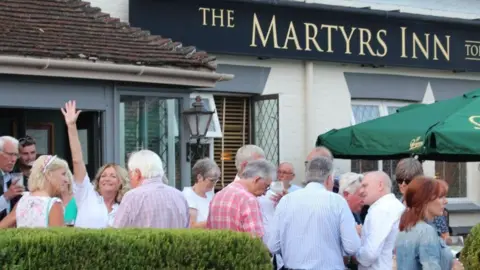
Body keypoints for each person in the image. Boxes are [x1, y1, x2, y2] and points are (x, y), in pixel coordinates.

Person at [268, 156, 361, 269]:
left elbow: (273, 245)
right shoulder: (337, 201)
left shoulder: (286, 201)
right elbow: (352, 247)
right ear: (329, 178)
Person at [62, 100, 129, 228]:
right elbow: (77, 160)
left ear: (121, 182)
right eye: (103, 176)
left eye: (112, 176)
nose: (107, 179)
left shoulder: (124, 207)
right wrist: (71, 126)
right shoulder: (86, 193)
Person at [395, 176, 463, 270]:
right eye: (440, 197)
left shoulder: (406, 228)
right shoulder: (426, 231)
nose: (446, 201)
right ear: (425, 200)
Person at [113, 150, 189, 228]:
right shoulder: (180, 196)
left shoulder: (132, 197)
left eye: (129, 174)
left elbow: (117, 232)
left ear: (137, 173)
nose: (129, 179)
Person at [207, 159, 275, 239]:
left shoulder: (218, 195)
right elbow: (255, 240)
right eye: (266, 186)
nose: (265, 193)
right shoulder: (249, 200)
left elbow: (209, 230)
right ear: (257, 179)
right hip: (241, 251)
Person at [355, 171, 405, 270]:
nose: (360, 191)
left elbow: (370, 254)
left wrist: (355, 255)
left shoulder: (382, 209)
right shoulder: (393, 206)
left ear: (380, 185)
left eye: (365, 186)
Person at [395, 157, 451, 242]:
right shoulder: (395, 206)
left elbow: (446, 238)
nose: (402, 184)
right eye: (399, 180)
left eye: (407, 181)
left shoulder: (431, 206)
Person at [10, 155, 66, 228]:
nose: (66, 180)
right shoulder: (54, 204)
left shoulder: (22, 200)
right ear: (49, 175)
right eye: (63, 174)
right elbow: (59, 238)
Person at [182, 158, 219, 228]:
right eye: (212, 180)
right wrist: (215, 221)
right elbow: (191, 226)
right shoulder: (188, 195)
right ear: (199, 177)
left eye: (216, 181)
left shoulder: (210, 194)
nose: (214, 184)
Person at [0, 136, 24, 221]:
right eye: (10, 154)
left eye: (16, 155)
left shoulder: (12, 176)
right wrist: (6, 197)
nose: (13, 159)